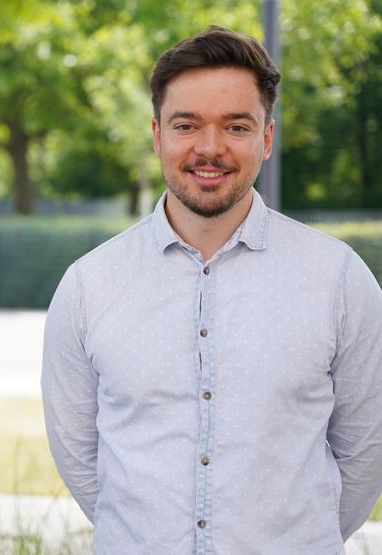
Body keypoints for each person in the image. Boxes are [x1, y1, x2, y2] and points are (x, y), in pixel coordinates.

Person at [42, 26, 382, 554]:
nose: (210, 148)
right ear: (157, 135)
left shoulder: (338, 280)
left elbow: (365, 454)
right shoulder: (88, 286)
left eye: (236, 126)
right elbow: (81, 459)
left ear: (266, 139)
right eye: (187, 125)